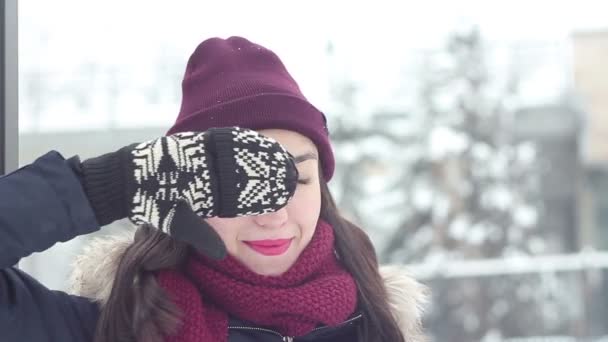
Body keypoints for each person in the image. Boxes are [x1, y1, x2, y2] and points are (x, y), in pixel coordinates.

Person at [0, 36, 427, 342]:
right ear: (186, 189)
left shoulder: (378, 323)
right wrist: (104, 187)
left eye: (294, 180)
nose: (272, 214)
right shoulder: (105, 327)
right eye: (238, 185)